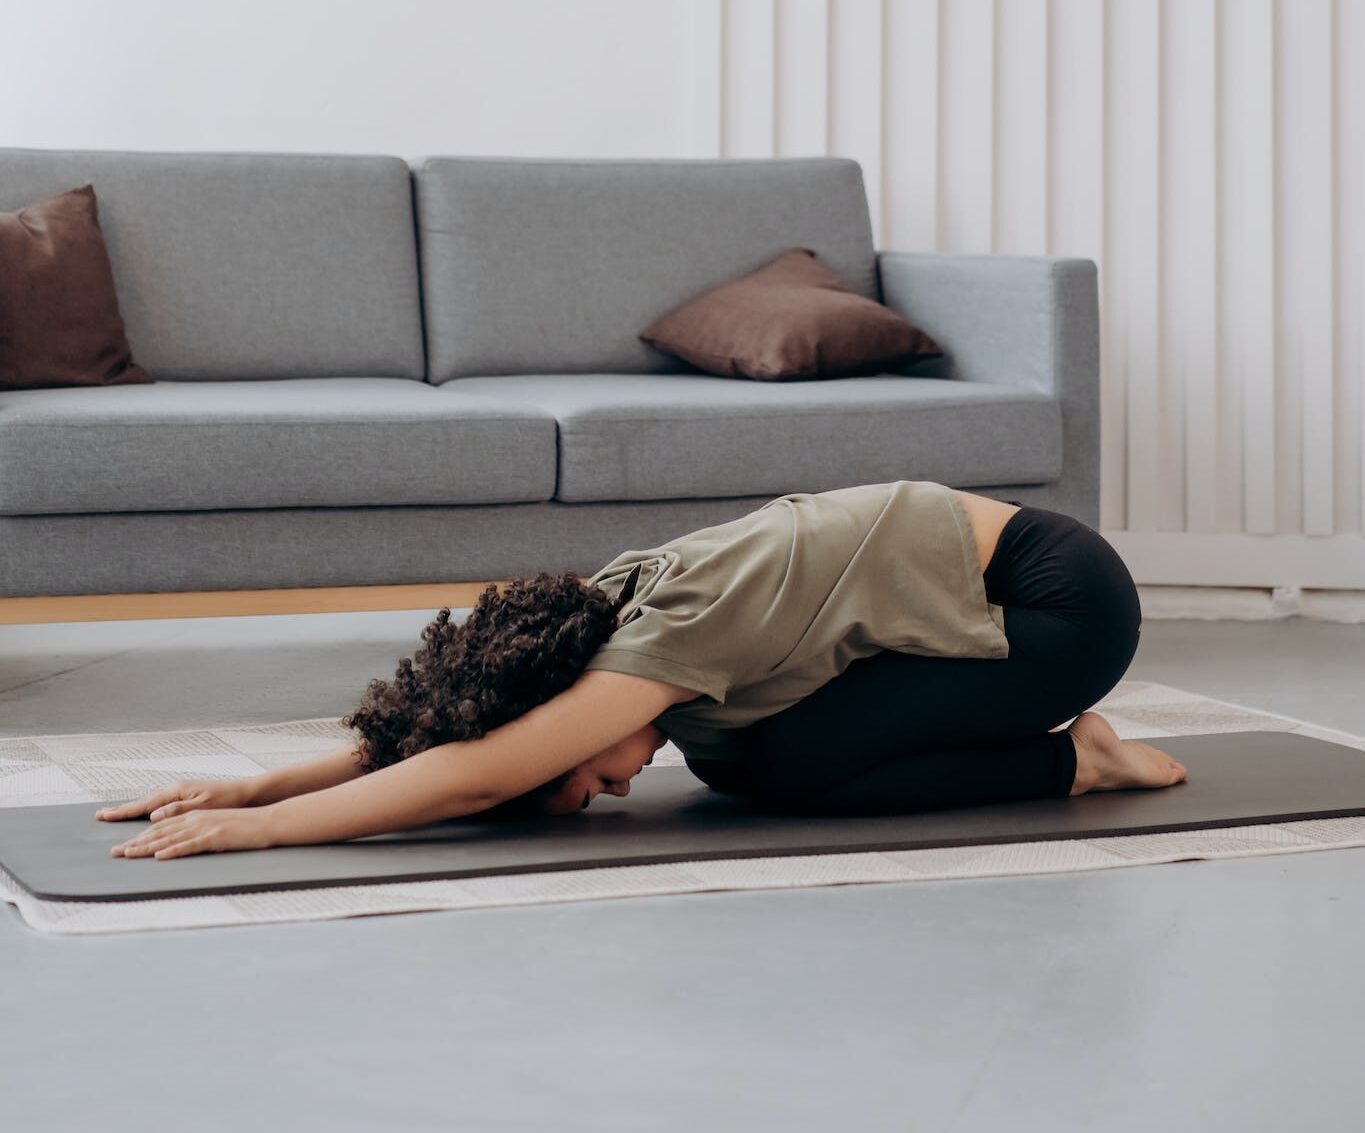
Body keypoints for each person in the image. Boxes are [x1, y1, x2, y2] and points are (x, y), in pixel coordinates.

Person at [97, 480, 1186, 860]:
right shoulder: (588, 624)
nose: (606, 788)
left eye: (575, 779)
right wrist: (256, 779)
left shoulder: (662, 639)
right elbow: (458, 738)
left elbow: (475, 772)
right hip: (982, 598)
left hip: (1059, 606)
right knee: (739, 760)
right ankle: (1058, 751)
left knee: (784, 766)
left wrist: (266, 830)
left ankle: (1078, 760)